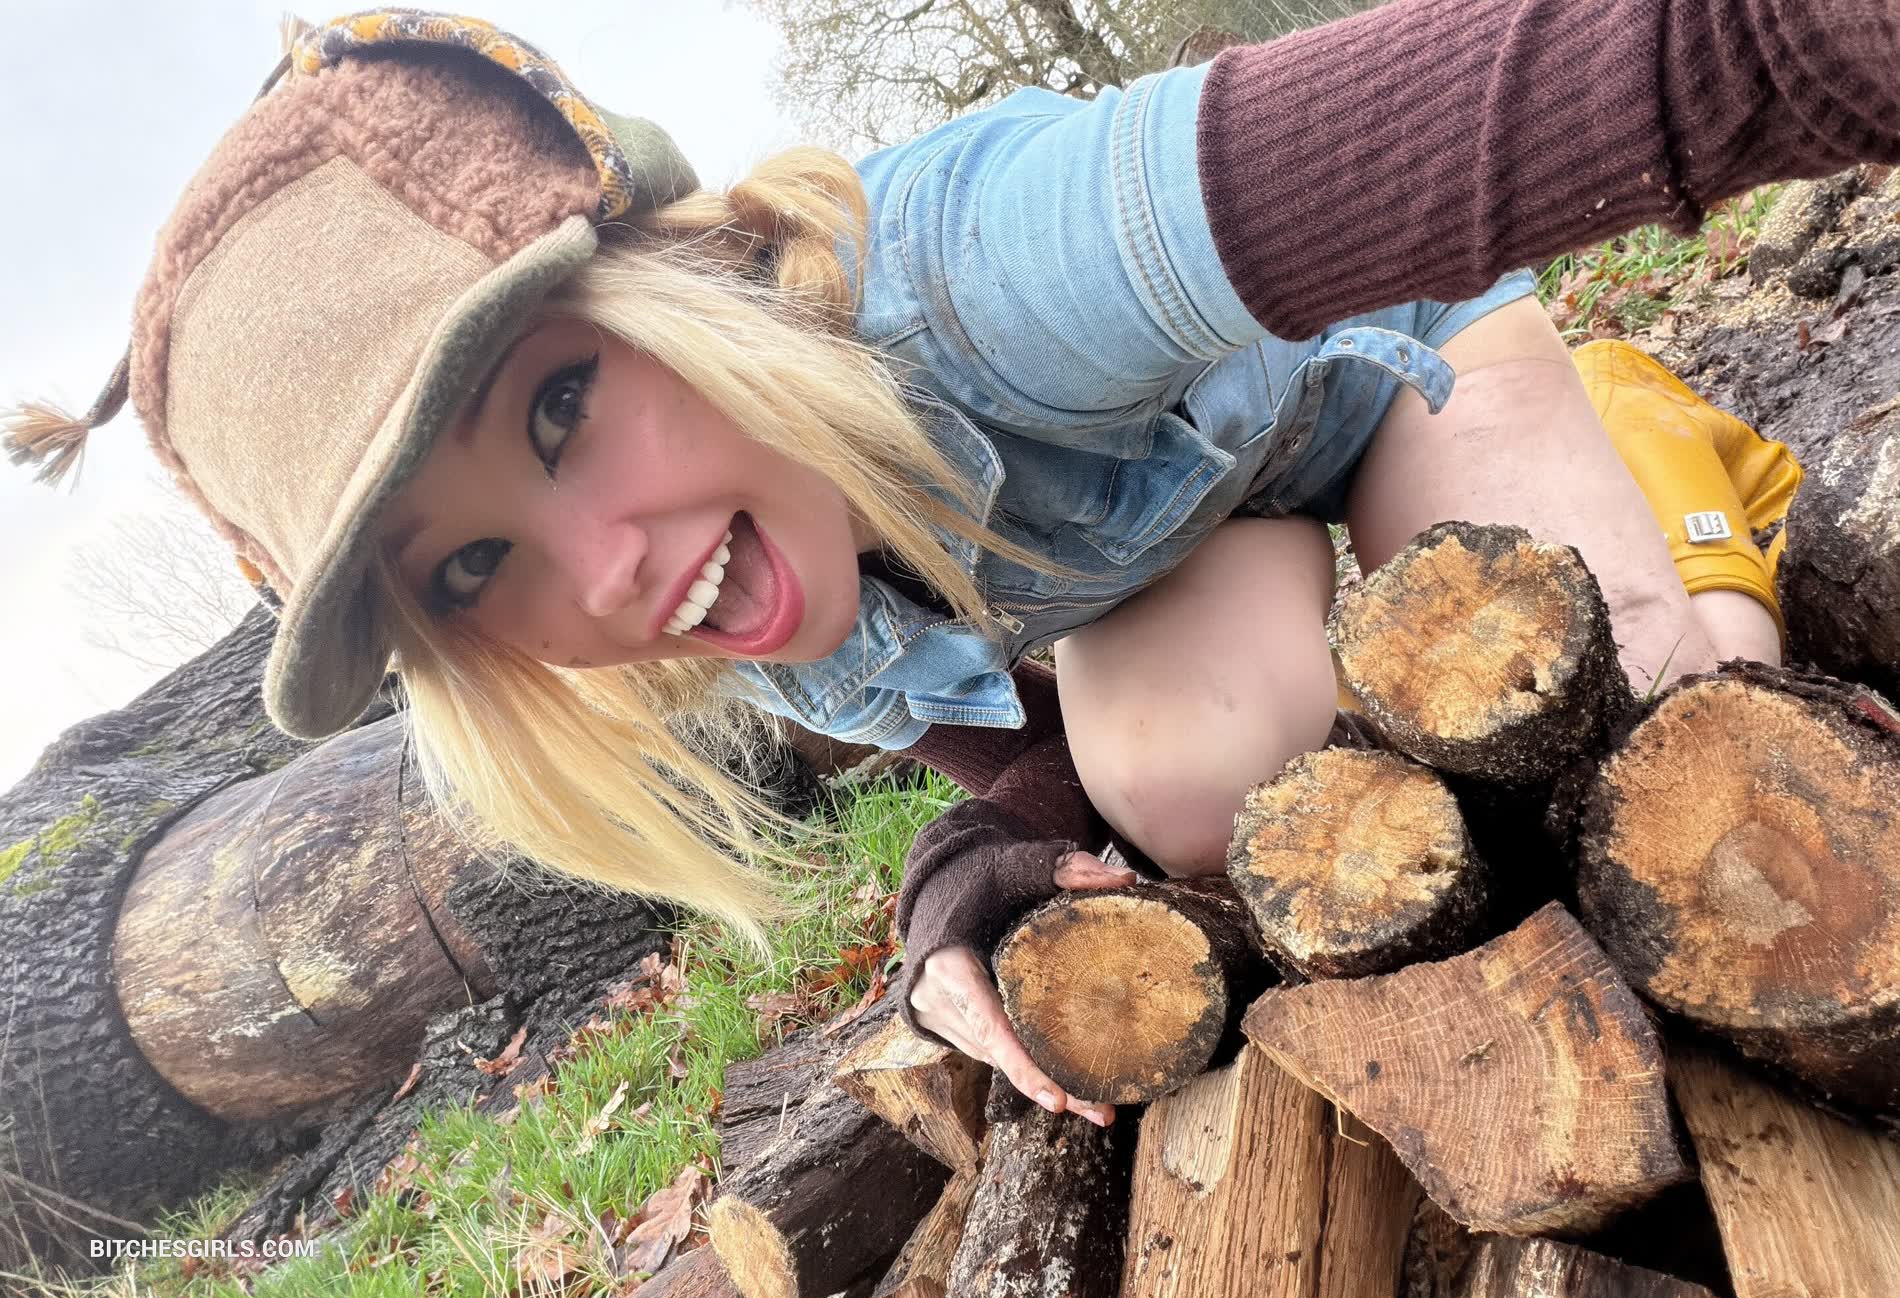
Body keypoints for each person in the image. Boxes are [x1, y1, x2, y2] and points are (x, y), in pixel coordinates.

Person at [5, 3, 1890, 1134]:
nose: (611, 573)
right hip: (1221, 516)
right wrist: (969, 883)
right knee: (1191, 783)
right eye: (478, 563)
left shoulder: (982, 271)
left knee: (1665, 722)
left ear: (669, 279)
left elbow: (1570, 78)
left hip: (1401, 360)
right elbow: (1020, 754)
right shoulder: (736, 595)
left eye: (563, 403)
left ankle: (1641, 442)